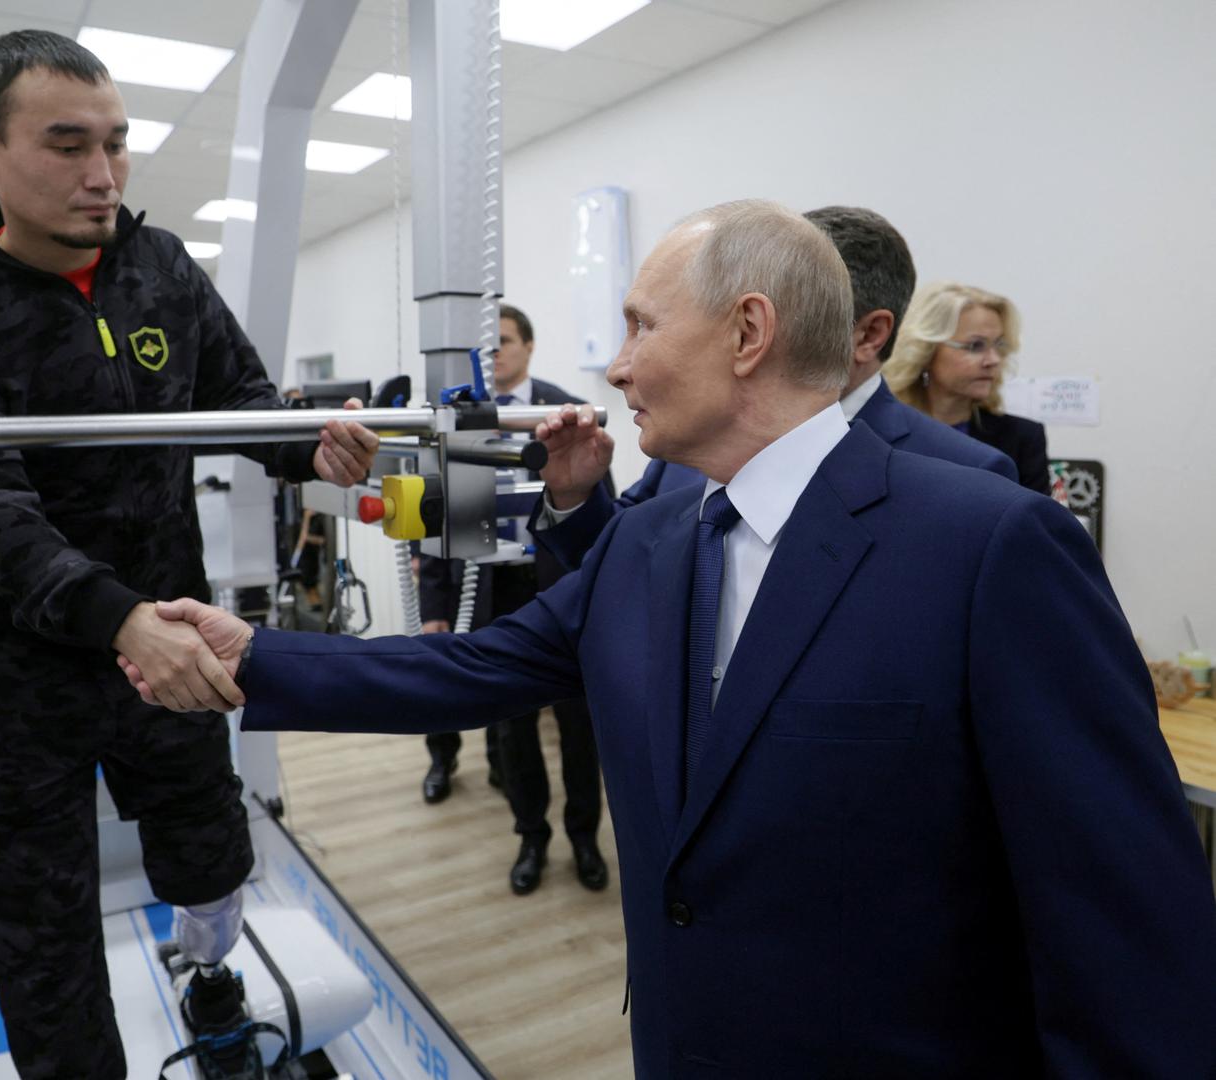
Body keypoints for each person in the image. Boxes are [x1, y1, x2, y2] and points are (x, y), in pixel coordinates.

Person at [119, 200, 1216, 1078]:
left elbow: (1123, 925)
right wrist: (249, 657)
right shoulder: (655, 536)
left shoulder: (988, 544)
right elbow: (472, 666)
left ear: (748, 333)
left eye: (642, 327)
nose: (616, 366)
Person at [0, 30, 378, 1080]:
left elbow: (240, 403)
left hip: (176, 643)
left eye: (116, 143)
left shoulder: (161, 270)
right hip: (24, 676)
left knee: (210, 857)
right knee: (43, 932)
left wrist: (314, 444)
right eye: (67, 145)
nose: (103, 174)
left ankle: (210, 979)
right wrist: (120, 622)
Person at [531, 206, 1017, 570]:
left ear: (869, 334)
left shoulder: (967, 477)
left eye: (809, 308)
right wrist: (573, 495)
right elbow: (617, 562)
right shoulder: (698, 440)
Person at [417, 304, 610, 896]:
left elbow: (604, 512)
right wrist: (435, 608)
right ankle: (532, 837)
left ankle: (583, 837)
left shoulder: (565, 411)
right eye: (487, 347)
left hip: (562, 588)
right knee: (512, 729)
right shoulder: (457, 420)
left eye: (503, 343)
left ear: (528, 346)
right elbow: (435, 521)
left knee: (580, 731)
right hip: (490, 590)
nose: (493, 355)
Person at [884, 280, 1052, 493]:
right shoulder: (878, 433)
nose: (993, 360)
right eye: (975, 346)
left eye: (999, 345)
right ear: (926, 351)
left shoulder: (1023, 438)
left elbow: (1035, 525)